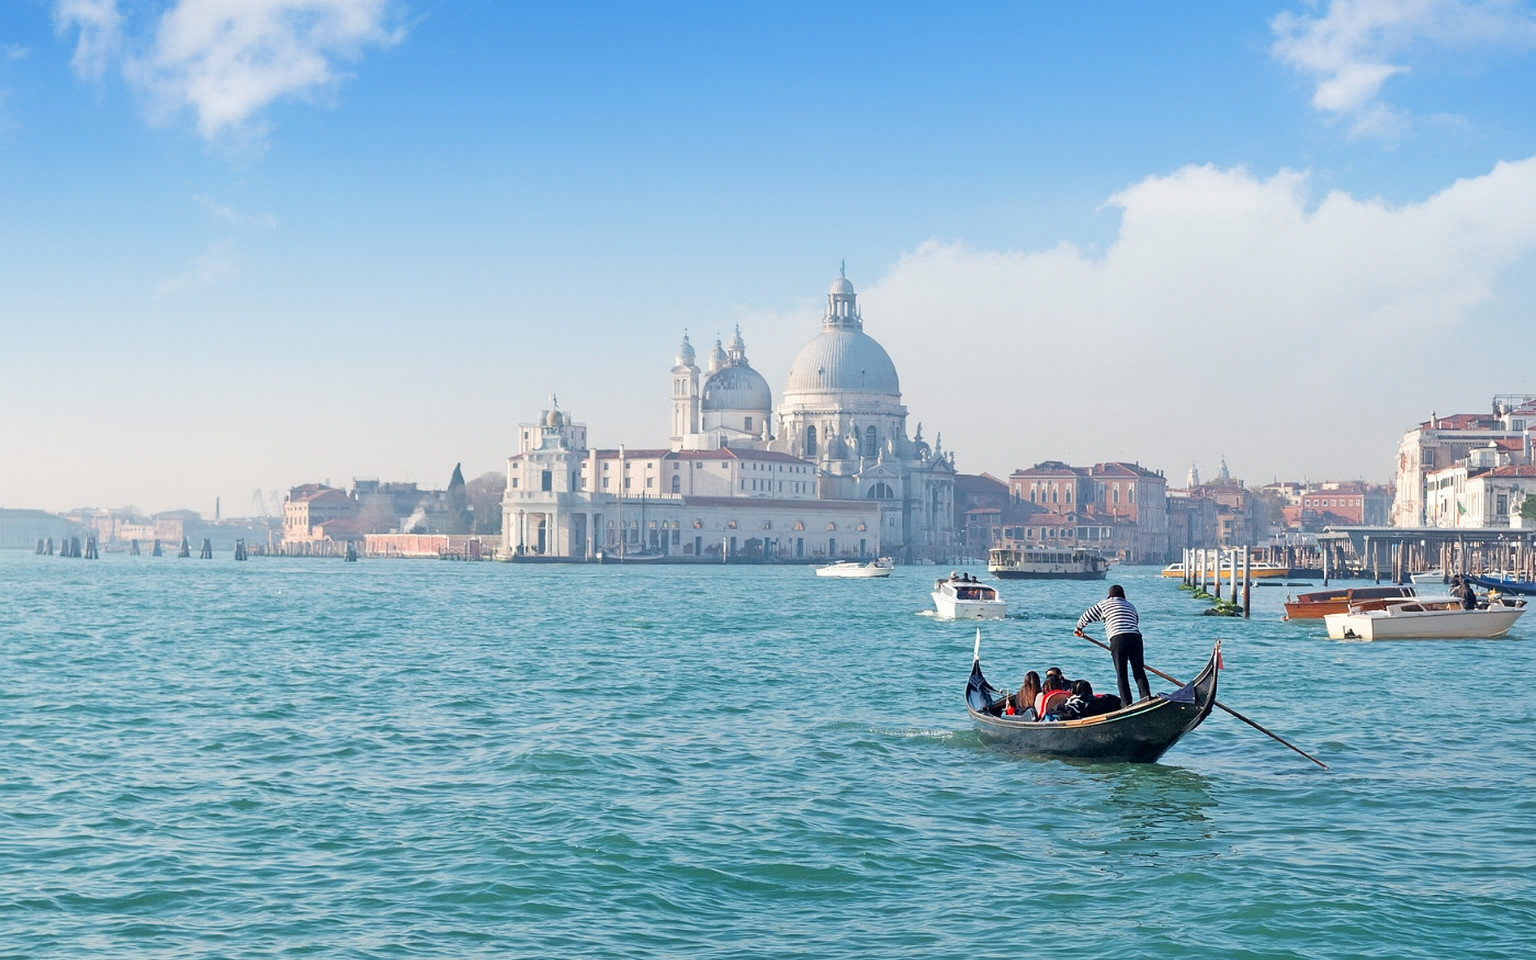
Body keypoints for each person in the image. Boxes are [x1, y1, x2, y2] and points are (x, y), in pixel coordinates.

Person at [1076, 584, 1152, 707]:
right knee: (1139, 671)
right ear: (1123, 596)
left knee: (1121, 673)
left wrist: (1078, 628)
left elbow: (1086, 616)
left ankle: (1126, 703)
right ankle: (1146, 698)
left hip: (1118, 638)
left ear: (1109, 595)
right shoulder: (1130, 606)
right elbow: (1135, 621)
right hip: (1136, 637)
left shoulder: (1104, 604)